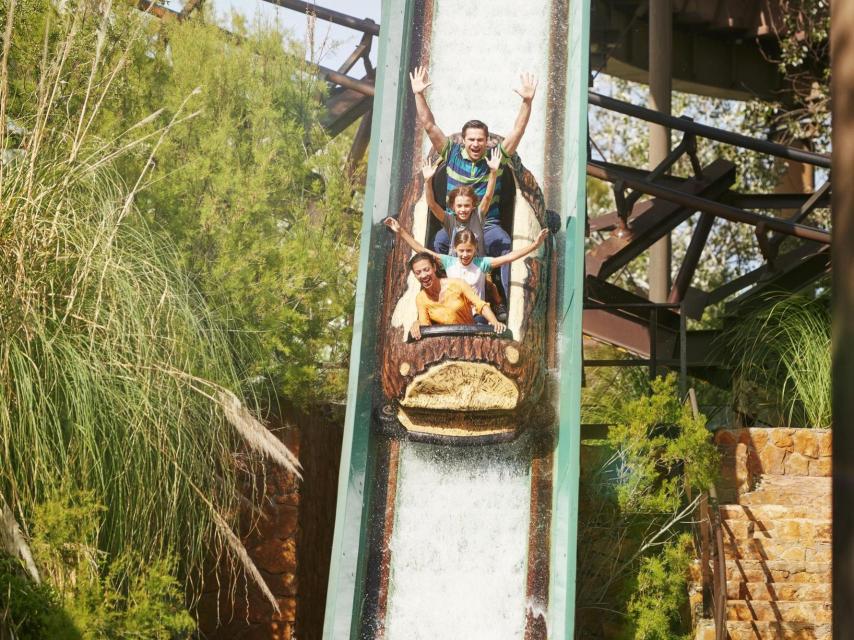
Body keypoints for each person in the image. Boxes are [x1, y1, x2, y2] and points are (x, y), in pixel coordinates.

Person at [409, 66, 538, 297]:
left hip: (487, 224)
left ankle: (503, 299)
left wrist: (527, 102)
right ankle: (442, 295)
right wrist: (419, 94)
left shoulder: (495, 157)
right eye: (471, 140)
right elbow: (429, 125)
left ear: (487, 141)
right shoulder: (451, 154)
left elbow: (518, 131)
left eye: (480, 140)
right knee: (438, 242)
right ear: (464, 139)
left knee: (503, 242)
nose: (476, 144)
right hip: (454, 224)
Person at [384, 218, 549, 319]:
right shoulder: (449, 262)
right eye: (461, 250)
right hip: (453, 311)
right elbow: (422, 250)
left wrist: (535, 245)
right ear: (455, 249)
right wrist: (401, 231)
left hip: (477, 313)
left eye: (469, 250)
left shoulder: (481, 263)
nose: (465, 255)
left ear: (475, 249)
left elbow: (509, 257)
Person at [407, 252, 505, 341]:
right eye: (418, 272)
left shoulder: (458, 284)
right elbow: (425, 325)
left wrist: (494, 322)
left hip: (469, 338)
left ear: (434, 267)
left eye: (426, 270)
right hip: (445, 342)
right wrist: (417, 324)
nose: (423, 275)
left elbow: (480, 305)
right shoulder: (421, 298)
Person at [421, 150, 500, 258]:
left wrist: (493, 172)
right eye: (459, 206)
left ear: (473, 206)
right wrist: (427, 181)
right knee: (438, 241)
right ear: (453, 207)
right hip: (457, 263)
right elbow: (432, 205)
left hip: (477, 263)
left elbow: (487, 196)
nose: (463, 209)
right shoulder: (450, 220)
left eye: (466, 206)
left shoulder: (477, 215)